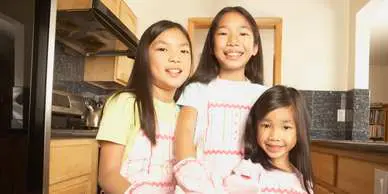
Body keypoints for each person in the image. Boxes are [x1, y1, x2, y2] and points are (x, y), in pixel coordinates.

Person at [173, 6, 267, 193]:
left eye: (243, 34)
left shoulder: (264, 95)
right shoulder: (195, 90)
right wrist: (200, 187)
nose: (233, 41)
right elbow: (183, 140)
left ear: (255, 47)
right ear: (212, 46)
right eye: (223, 33)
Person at [96, 20, 193, 194]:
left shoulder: (186, 114)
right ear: (144, 57)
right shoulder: (125, 103)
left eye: (184, 50)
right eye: (163, 49)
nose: (176, 58)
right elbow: (108, 175)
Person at [224, 85, 314, 194]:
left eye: (286, 127)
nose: (274, 136)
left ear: (300, 131)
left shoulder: (303, 181)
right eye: (266, 125)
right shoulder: (249, 172)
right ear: (255, 127)